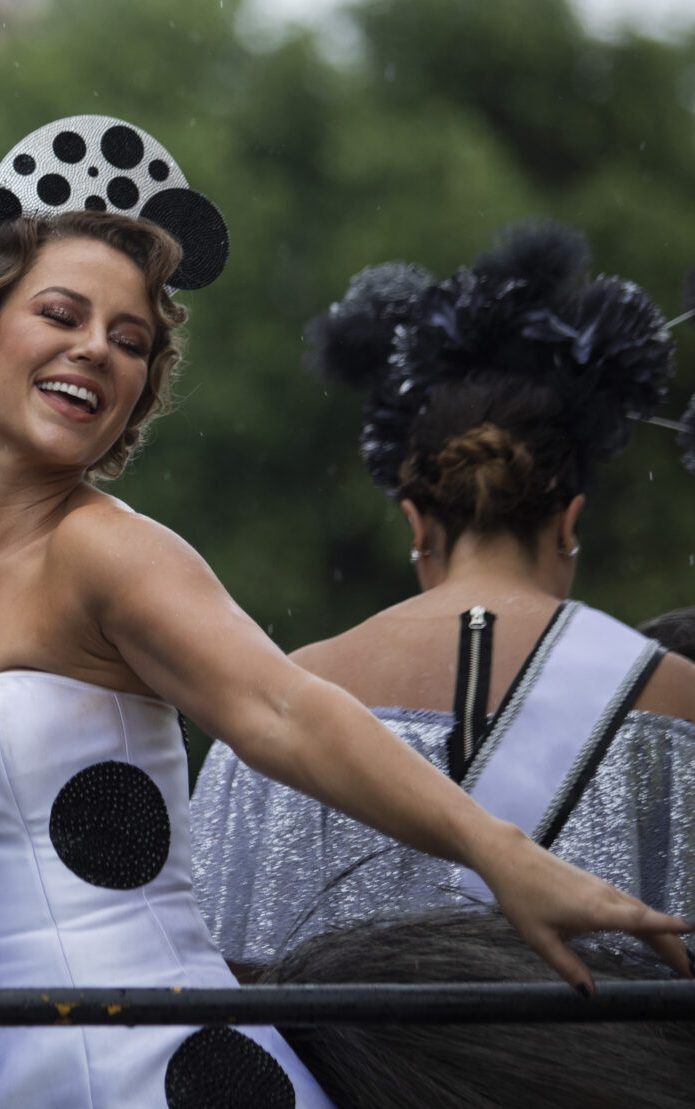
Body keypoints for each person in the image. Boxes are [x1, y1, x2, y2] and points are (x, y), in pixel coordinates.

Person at [0, 0, 689, 1109]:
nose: (95, 350)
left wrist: (500, 856)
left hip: (156, 1081)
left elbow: (279, 709)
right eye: (61, 315)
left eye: (128, 341)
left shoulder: (105, 553)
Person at [193, 226, 695, 970]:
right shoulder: (680, 703)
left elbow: (212, 963)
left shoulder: (275, 704)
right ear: (569, 524)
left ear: (417, 525)